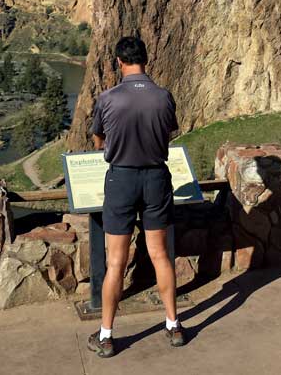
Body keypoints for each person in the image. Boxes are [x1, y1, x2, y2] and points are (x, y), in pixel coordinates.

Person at [87, 36, 185, 358]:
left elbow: (99, 140)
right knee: (160, 255)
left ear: (119, 62)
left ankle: (106, 336)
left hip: (122, 179)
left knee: (116, 260)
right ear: (147, 59)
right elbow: (168, 132)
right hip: (156, 178)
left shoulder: (108, 98)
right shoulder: (163, 97)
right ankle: (173, 325)